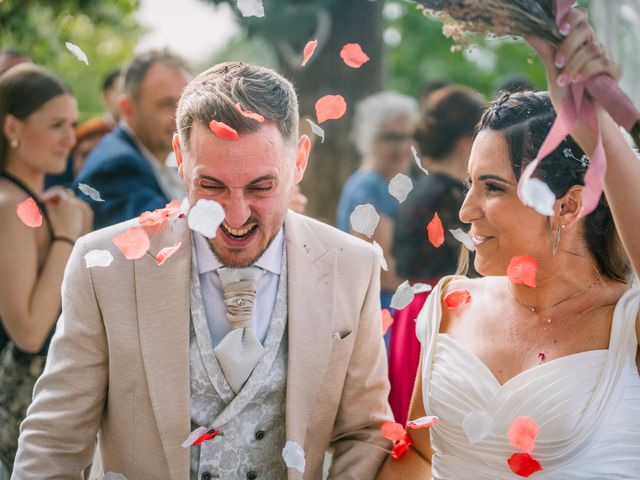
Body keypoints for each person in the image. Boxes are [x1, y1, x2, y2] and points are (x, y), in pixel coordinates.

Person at [13, 61, 393, 479]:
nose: (235, 215)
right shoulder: (106, 267)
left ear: (299, 159)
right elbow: (55, 441)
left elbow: (364, 431)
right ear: (180, 156)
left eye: (261, 187)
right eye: (211, 186)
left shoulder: (352, 266)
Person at [379, 9, 640, 479]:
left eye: (493, 188)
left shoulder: (628, 323)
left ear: (567, 205)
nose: (465, 211)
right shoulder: (449, 305)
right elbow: (418, 454)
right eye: (469, 184)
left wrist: (598, 133)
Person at [0, 64, 92, 474]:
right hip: (16, 414)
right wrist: (67, 238)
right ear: (12, 127)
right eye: (56, 124)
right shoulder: (10, 208)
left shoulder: (34, 204)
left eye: (72, 124)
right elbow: (29, 331)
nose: (70, 139)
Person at [389, 85, 485, 424]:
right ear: (465, 140)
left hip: (414, 311)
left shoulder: (425, 190)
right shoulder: (449, 196)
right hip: (440, 314)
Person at [74, 49, 191, 229]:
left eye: (184, 103)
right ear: (127, 108)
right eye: (166, 104)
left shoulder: (140, 154)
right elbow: (170, 237)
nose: (179, 116)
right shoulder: (117, 168)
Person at [336, 91, 419, 311]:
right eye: (391, 138)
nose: (403, 147)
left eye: (408, 137)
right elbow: (379, 270)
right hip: (381, 312)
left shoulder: (392, 183)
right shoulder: (369, 188)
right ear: (369, 139)